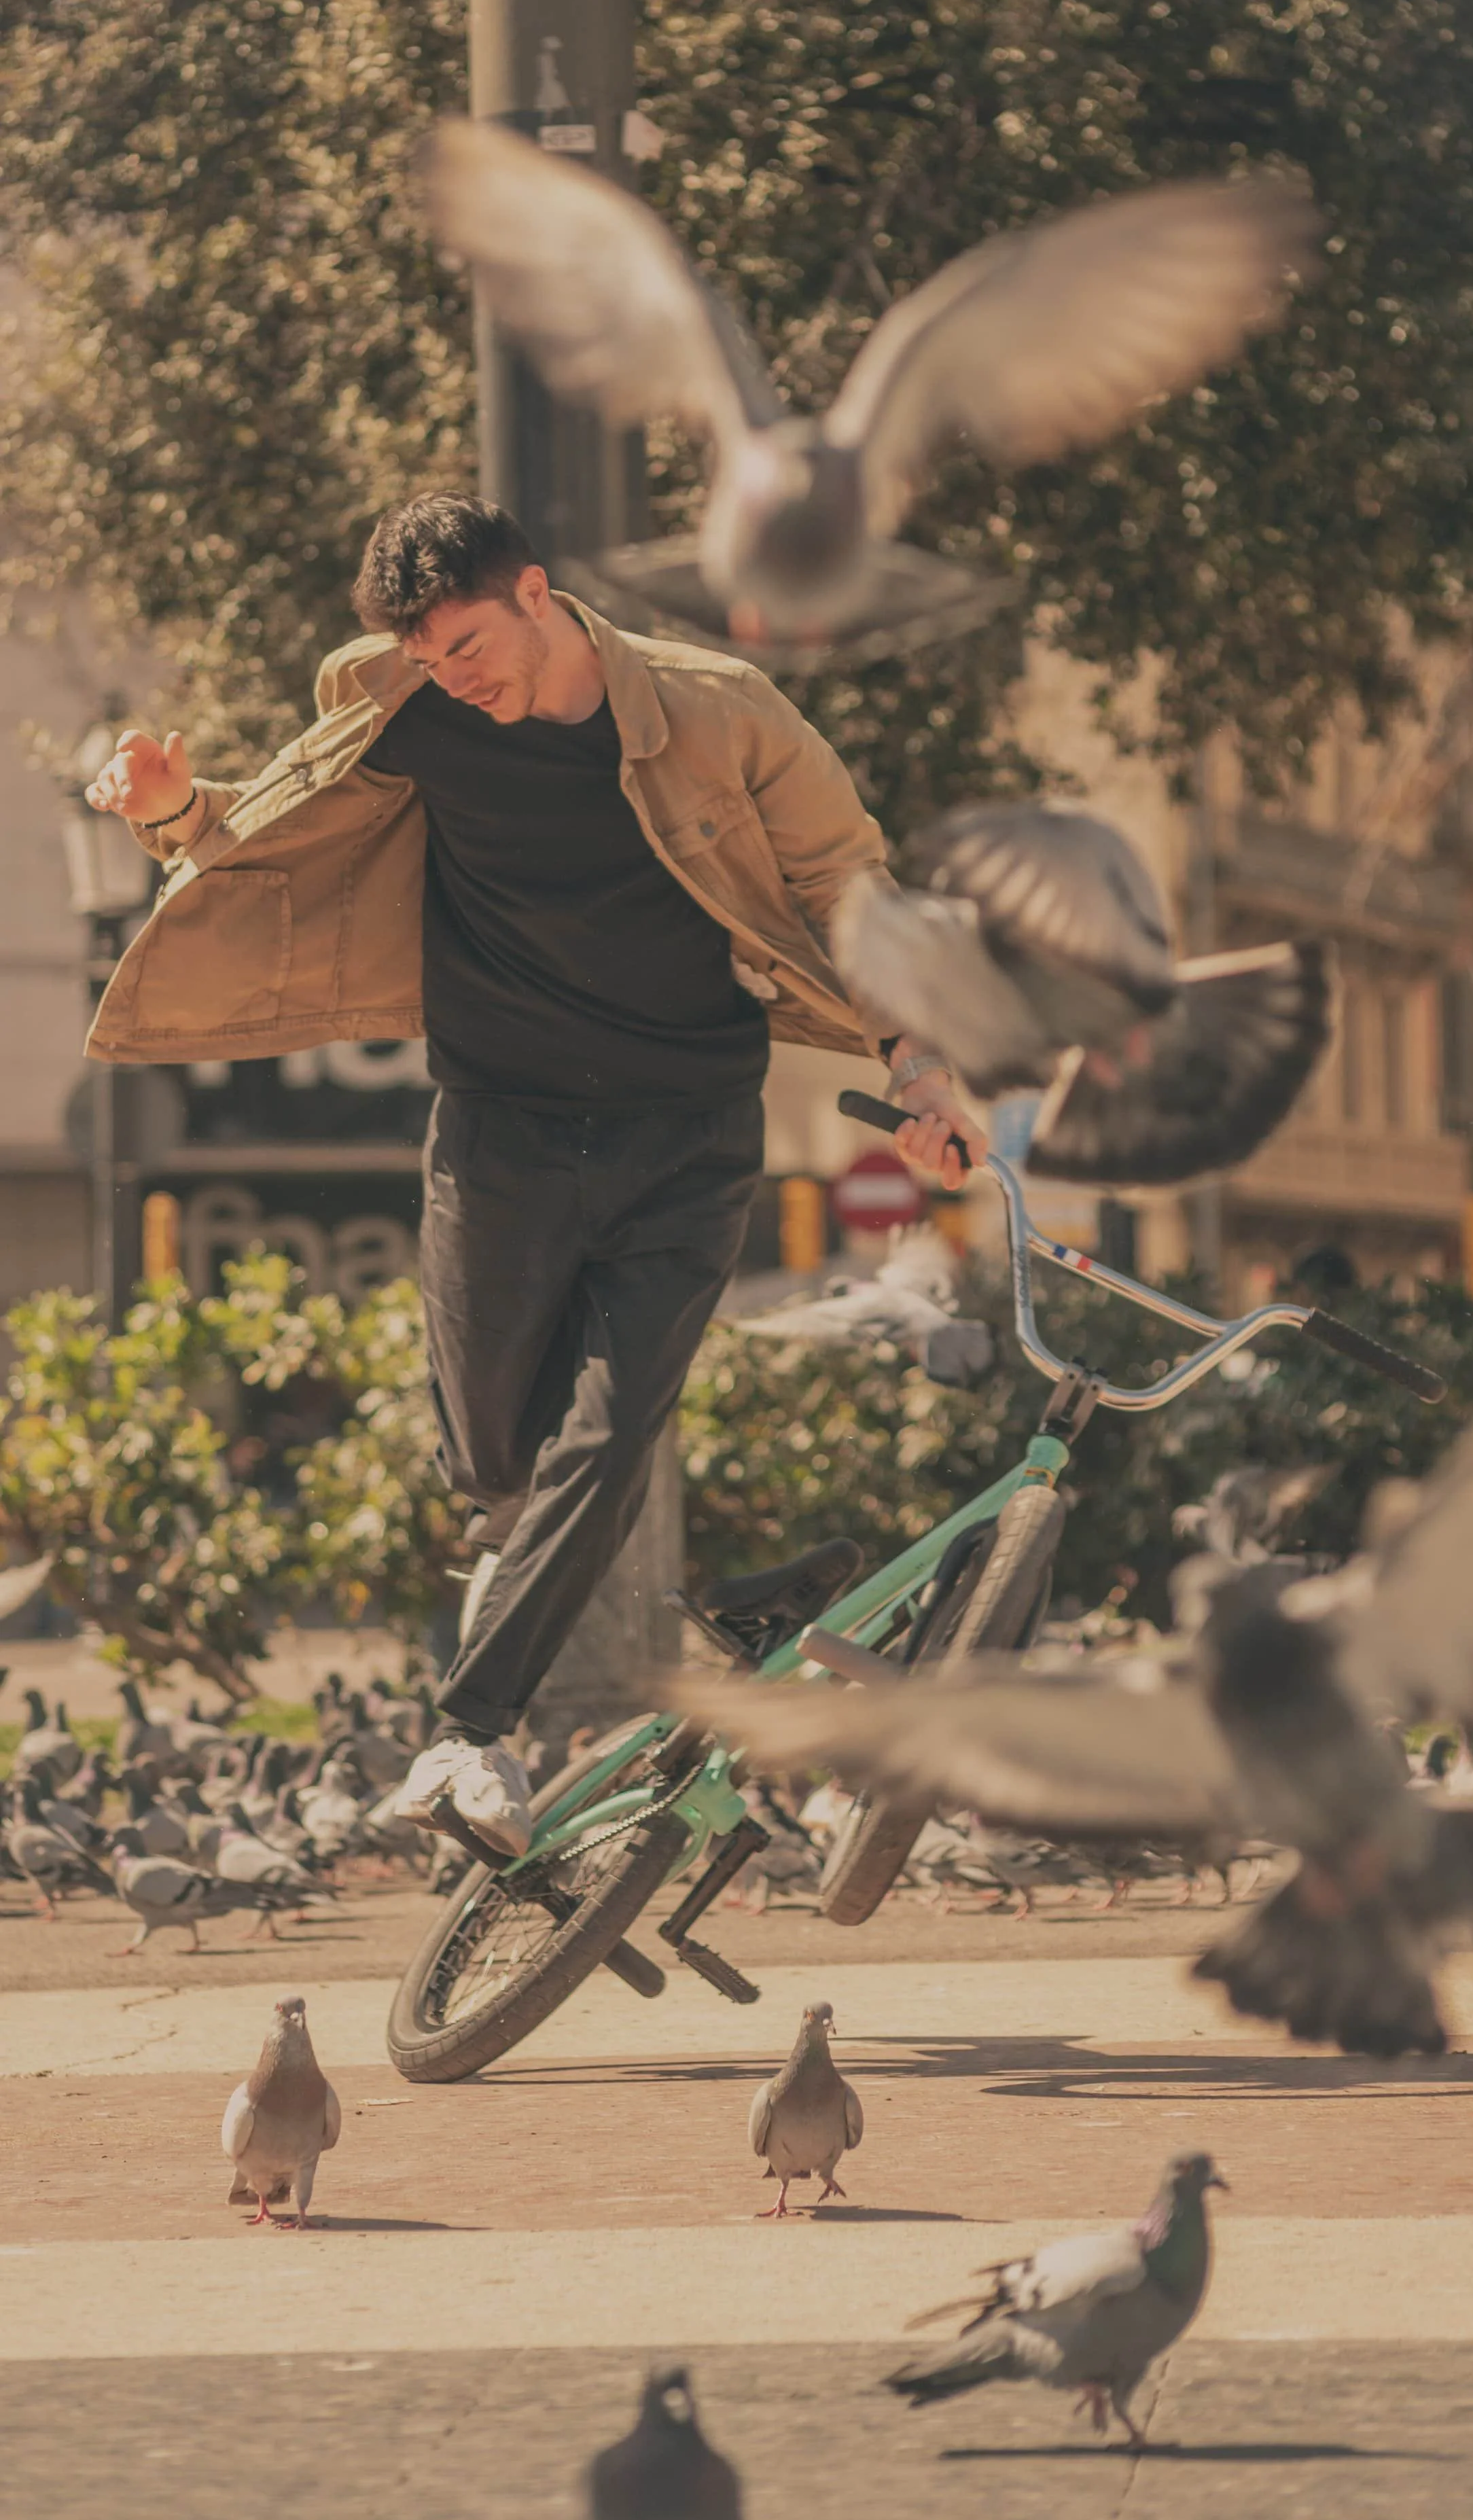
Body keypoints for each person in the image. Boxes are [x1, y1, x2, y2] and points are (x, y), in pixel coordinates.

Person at [84, 491, 983, 1856]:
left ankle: (467, 1734)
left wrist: (918, 1066)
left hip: (684, 1133)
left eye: (471, 643)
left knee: (610, 1432)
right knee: (498, 1462)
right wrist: (169, 811)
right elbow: (271, 826)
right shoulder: (397, 700)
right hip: (498, 1123)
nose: (460, 675)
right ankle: (673, 1611)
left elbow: (846, 883)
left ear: (539, 594)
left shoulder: (717, 712)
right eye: (432, 656)